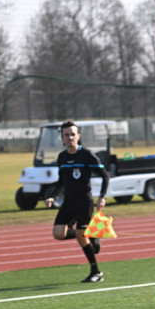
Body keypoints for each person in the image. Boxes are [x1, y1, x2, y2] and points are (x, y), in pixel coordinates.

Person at [44, 120, 110, 283]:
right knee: (58, 234)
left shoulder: (86, 155)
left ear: (78, 136)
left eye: (73, 134)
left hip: (84, 202)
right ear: (62, 137)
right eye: (66, 135)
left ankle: (96, 272)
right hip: (68, 202)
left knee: (81, 236)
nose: (70, 137)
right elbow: (62, 181)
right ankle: (90, 234)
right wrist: (53, 195)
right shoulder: (62, 157)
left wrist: (102, 197)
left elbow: (105, 175)